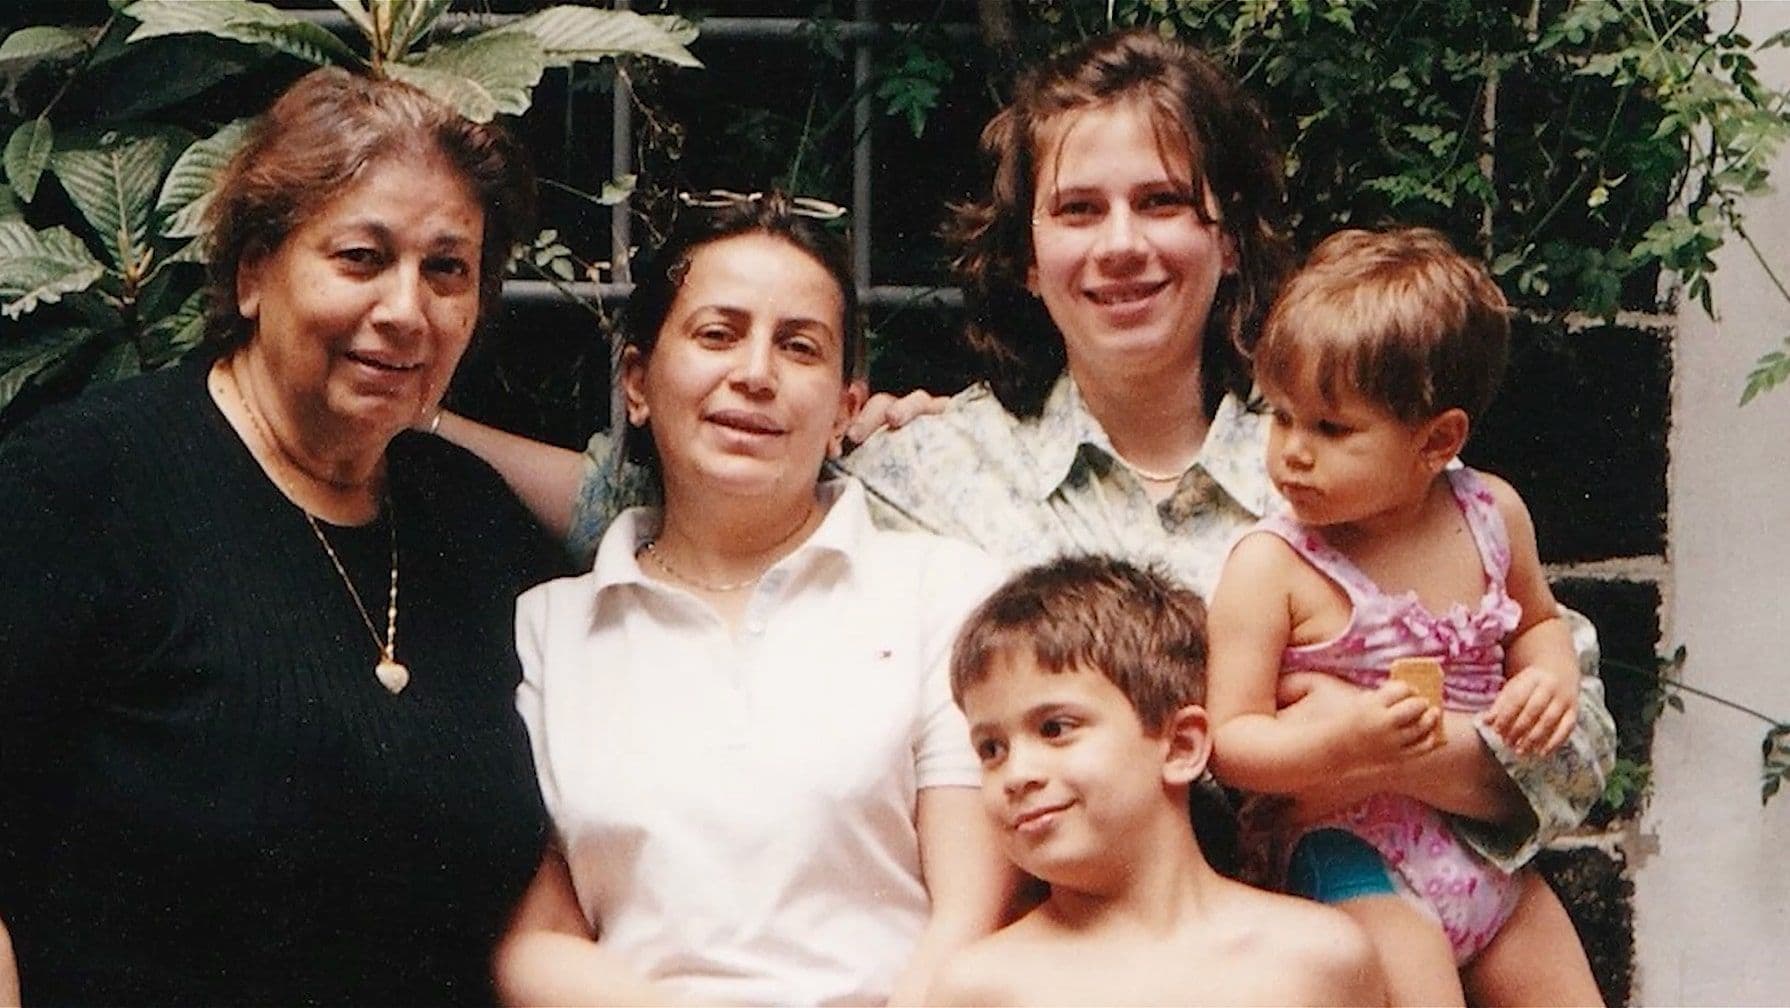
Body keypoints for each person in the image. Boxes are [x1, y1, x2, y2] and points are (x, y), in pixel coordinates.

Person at [433, 25, 1614, 927]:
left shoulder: (1345, 464)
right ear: (1027, 253)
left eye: (1162, 203)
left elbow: (1572, 764)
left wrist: (1348, 750)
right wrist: (411, 417)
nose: (1120, 245)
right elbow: (652, 494)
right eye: (1076, 209)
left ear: (1227, 235)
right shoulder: (925, 468)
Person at [0, 67, 556, 1004]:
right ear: (255, 271)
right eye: (361, 258)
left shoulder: (473, 524)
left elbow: (680, 526)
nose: (406, 309)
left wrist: (872, 459)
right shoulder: (80, 486)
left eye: (447, 269)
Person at [493, 192, 1014, 1007]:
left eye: (800, 347)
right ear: (637, 379)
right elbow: (539, 940)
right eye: (717, 334)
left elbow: (974, 919)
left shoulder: (944, 596)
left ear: (846, 406)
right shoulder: (545, 629)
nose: (755, 373)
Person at [1205, 227, 1602, 1007]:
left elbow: (1536, 623)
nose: (1292, 453)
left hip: (1485, 857)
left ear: (1437, 440)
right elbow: (1230, 740)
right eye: (1280, 417)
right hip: (1353, 857)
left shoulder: (1491, 515)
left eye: (1331, 428)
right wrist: (1341, 740)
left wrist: (1550, 674)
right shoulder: (1274, 567)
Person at [931, 555, 1386, 1006]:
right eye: (991, 749)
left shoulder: (1319, 960)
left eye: (1055, 728)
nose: (1017, 775)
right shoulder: (979, 989)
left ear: (1181, 746)